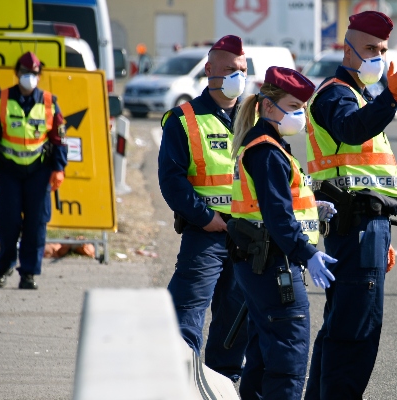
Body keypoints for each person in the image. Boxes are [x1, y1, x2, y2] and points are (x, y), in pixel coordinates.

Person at [304, 10, 397, 399]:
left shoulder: (359, 96)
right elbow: (353, 131)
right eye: (370, 48)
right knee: (356, 333)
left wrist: (381, 233)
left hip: (365, 226)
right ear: (347, 48)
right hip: (354, 226)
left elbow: (369, 178)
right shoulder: (336, 93)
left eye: (384, 50)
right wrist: (393, 96)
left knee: (341, 327)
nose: (379, 57)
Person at [229, 66, 337, 400]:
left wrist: (310, 206)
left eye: (302, 107)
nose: (300, 114)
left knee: (264, 356)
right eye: (294, 106)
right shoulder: (267, 151)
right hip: (275, 265)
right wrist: (309, 254)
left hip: (263, 262)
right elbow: (277, 217)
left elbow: (274, 203)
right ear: (268, 105)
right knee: (287, 358)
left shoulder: (269, 145)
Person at [158, 35, 249, 381]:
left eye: (241, 70)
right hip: (206, 233)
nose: (237, 77)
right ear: (209, 70)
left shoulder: (254, 120)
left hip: (246, 235)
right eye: (228, 70)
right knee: (186, 313)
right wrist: (205, 217)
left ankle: (224, 383)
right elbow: (172, 181)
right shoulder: (183, 119)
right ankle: (182, 382)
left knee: (235, 319)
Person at [0, 51, 67, 290]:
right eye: (26, 73)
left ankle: (28, 273)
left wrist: (59, 168)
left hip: (39, 172)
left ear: (39, 75)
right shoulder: (1, 99)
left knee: (36, 224)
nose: (30, 77)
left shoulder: (50, 102)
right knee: (8, 222)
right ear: (17, 73)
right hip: (9, 172)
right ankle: (4, 266)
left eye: (34, 73)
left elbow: (59, 138)